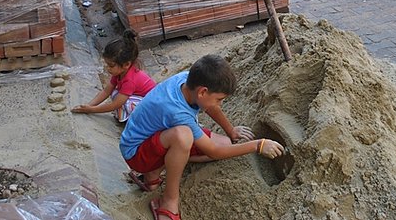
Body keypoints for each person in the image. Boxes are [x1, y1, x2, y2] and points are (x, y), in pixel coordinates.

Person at [119, 54, 284, 220]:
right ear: (203, 91)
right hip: (136, 154)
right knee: (183, 136)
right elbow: (214, 152)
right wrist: (258, 145)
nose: (219, 104)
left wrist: (230, 130)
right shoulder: (177, 112)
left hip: (156, 139)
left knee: (226, 143)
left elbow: (210, 106)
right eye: (219, 99)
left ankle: (164, 165)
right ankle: (168, 201)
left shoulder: (188, 81)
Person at [71, 30, 156, 123]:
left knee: (124, 102)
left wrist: (91, 110)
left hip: (151, 107)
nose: (108, 68)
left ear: (126, 64)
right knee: (115, 93)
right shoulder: (120, 72)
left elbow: (114, 105)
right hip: (138, 98)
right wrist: (88, 106)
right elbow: (106, 91)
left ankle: (133, 122)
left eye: (111, 66)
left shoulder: (130, 80)